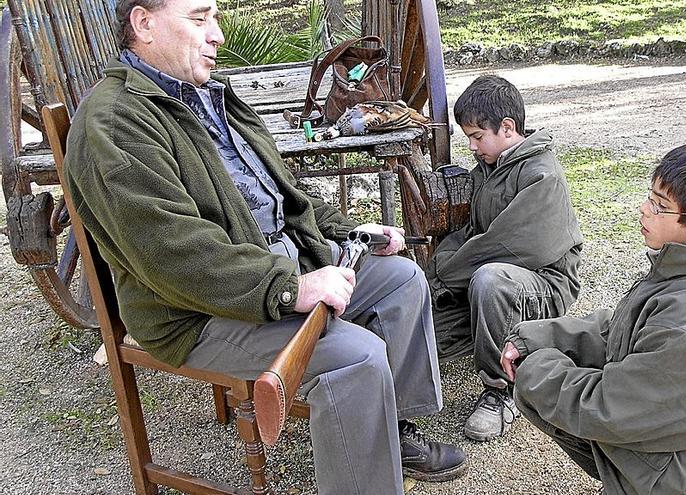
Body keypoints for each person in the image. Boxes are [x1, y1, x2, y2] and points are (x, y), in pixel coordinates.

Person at [63, 1, 466, 493]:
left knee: (401, 281)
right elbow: (171, 254)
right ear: (144, 24)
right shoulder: (114, 121)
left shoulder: (209, 95)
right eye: (199, 18)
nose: (217, 36)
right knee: (355, 357)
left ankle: (388, 430)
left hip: (274, 265)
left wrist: (346, 232)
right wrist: (288, 289)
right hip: (194, 310)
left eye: (214, 19)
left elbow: (283, 194)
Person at [501, 140, 686, 494]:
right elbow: (620, 328)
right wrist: (536, 339)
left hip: (685, 483)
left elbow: (606, 408)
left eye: (660, 206)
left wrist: (534, 368)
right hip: (676, 449)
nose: (644, 210)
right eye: (650, 197)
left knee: (548, 395)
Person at [426, 75, 583, 441]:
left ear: (508, 128)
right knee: (425, 334)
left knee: (489, 280)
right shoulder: (489, 170)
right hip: (497, 281)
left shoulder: (542, 174)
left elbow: (507, 246)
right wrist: (430, 275)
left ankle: (501, 391)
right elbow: (471, 234)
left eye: (478, 136)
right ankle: (501, 339)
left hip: (545, 284)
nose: (472, 146)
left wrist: (443, 277)